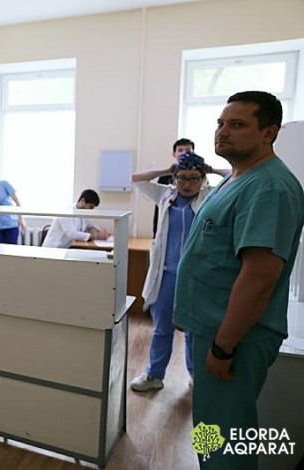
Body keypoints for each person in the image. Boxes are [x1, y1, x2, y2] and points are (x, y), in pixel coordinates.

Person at [174, 91, 304, 469]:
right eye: (220, 123)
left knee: (227, 435)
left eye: (237, 124)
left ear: (269, 133)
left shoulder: (270, 188)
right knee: (210, 424)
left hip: (235, 337)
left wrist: (224, 347)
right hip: (213, 329)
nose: (223, 131)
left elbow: (259, 276)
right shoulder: (237, 179)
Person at [129, 152, 229, 392]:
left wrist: (212, 169)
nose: (187, 184)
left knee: (194, 330)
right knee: (162, 328)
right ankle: (154, 374)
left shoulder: (210, 195)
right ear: (175, 179)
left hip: (195, 277)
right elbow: (136, 179)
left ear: (202, 179)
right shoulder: (166, 195)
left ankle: (196, 375)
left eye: (194, 178)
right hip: (166, 274)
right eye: (182, 177)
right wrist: (166, 169)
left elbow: (235, 176)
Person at [152, 138, 195, 237]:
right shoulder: (165, 177)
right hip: (169, 228)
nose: (184, 153)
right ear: (174, 154)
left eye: (188, 150)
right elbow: (159, 207)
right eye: (180, 150)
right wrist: (156, 232)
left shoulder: (199, 176)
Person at [41, 189, 109, 248]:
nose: (90, 210)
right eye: (90, 207)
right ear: (83, 201)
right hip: (53, 248)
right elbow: (72, 234)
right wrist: (95, 236)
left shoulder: (82, 212)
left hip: (65, 247)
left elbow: (91, 225)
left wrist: (94, 230)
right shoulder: (66, 211)